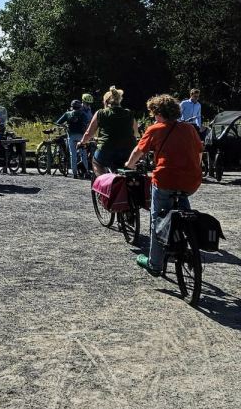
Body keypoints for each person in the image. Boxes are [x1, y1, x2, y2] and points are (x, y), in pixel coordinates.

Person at [125, 93, 203, 276]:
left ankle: (154, 264)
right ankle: (187, 233)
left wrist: (129, 165)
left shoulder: (155, 129)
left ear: (159, 113)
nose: (153, 117)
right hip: (192, 181)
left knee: (157, 218)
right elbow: (199, 153)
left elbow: (138, 151)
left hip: (166, 180)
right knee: (182, 202)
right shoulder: (190, 129)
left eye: (153, 113)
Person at [79, 85, 138, 176]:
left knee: (96, 162)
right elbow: (135, 133)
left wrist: (82, 143)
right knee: (128, 168)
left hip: (106, 148)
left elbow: (89, 133)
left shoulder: (101, 113)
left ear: (106, 102)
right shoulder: (129, 113)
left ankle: (103, 184)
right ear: (119, 101)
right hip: (128, 149)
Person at [56, 99, 89, 178]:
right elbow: (87, 123)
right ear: (79, 107)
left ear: (72, 107)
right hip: (81, 137)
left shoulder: (67, 114)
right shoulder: (83, 114)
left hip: (71, 136)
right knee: (83, 154)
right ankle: (86, 172)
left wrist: (65, 125)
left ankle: (74, 173)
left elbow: (58, 122)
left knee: (72, 155)